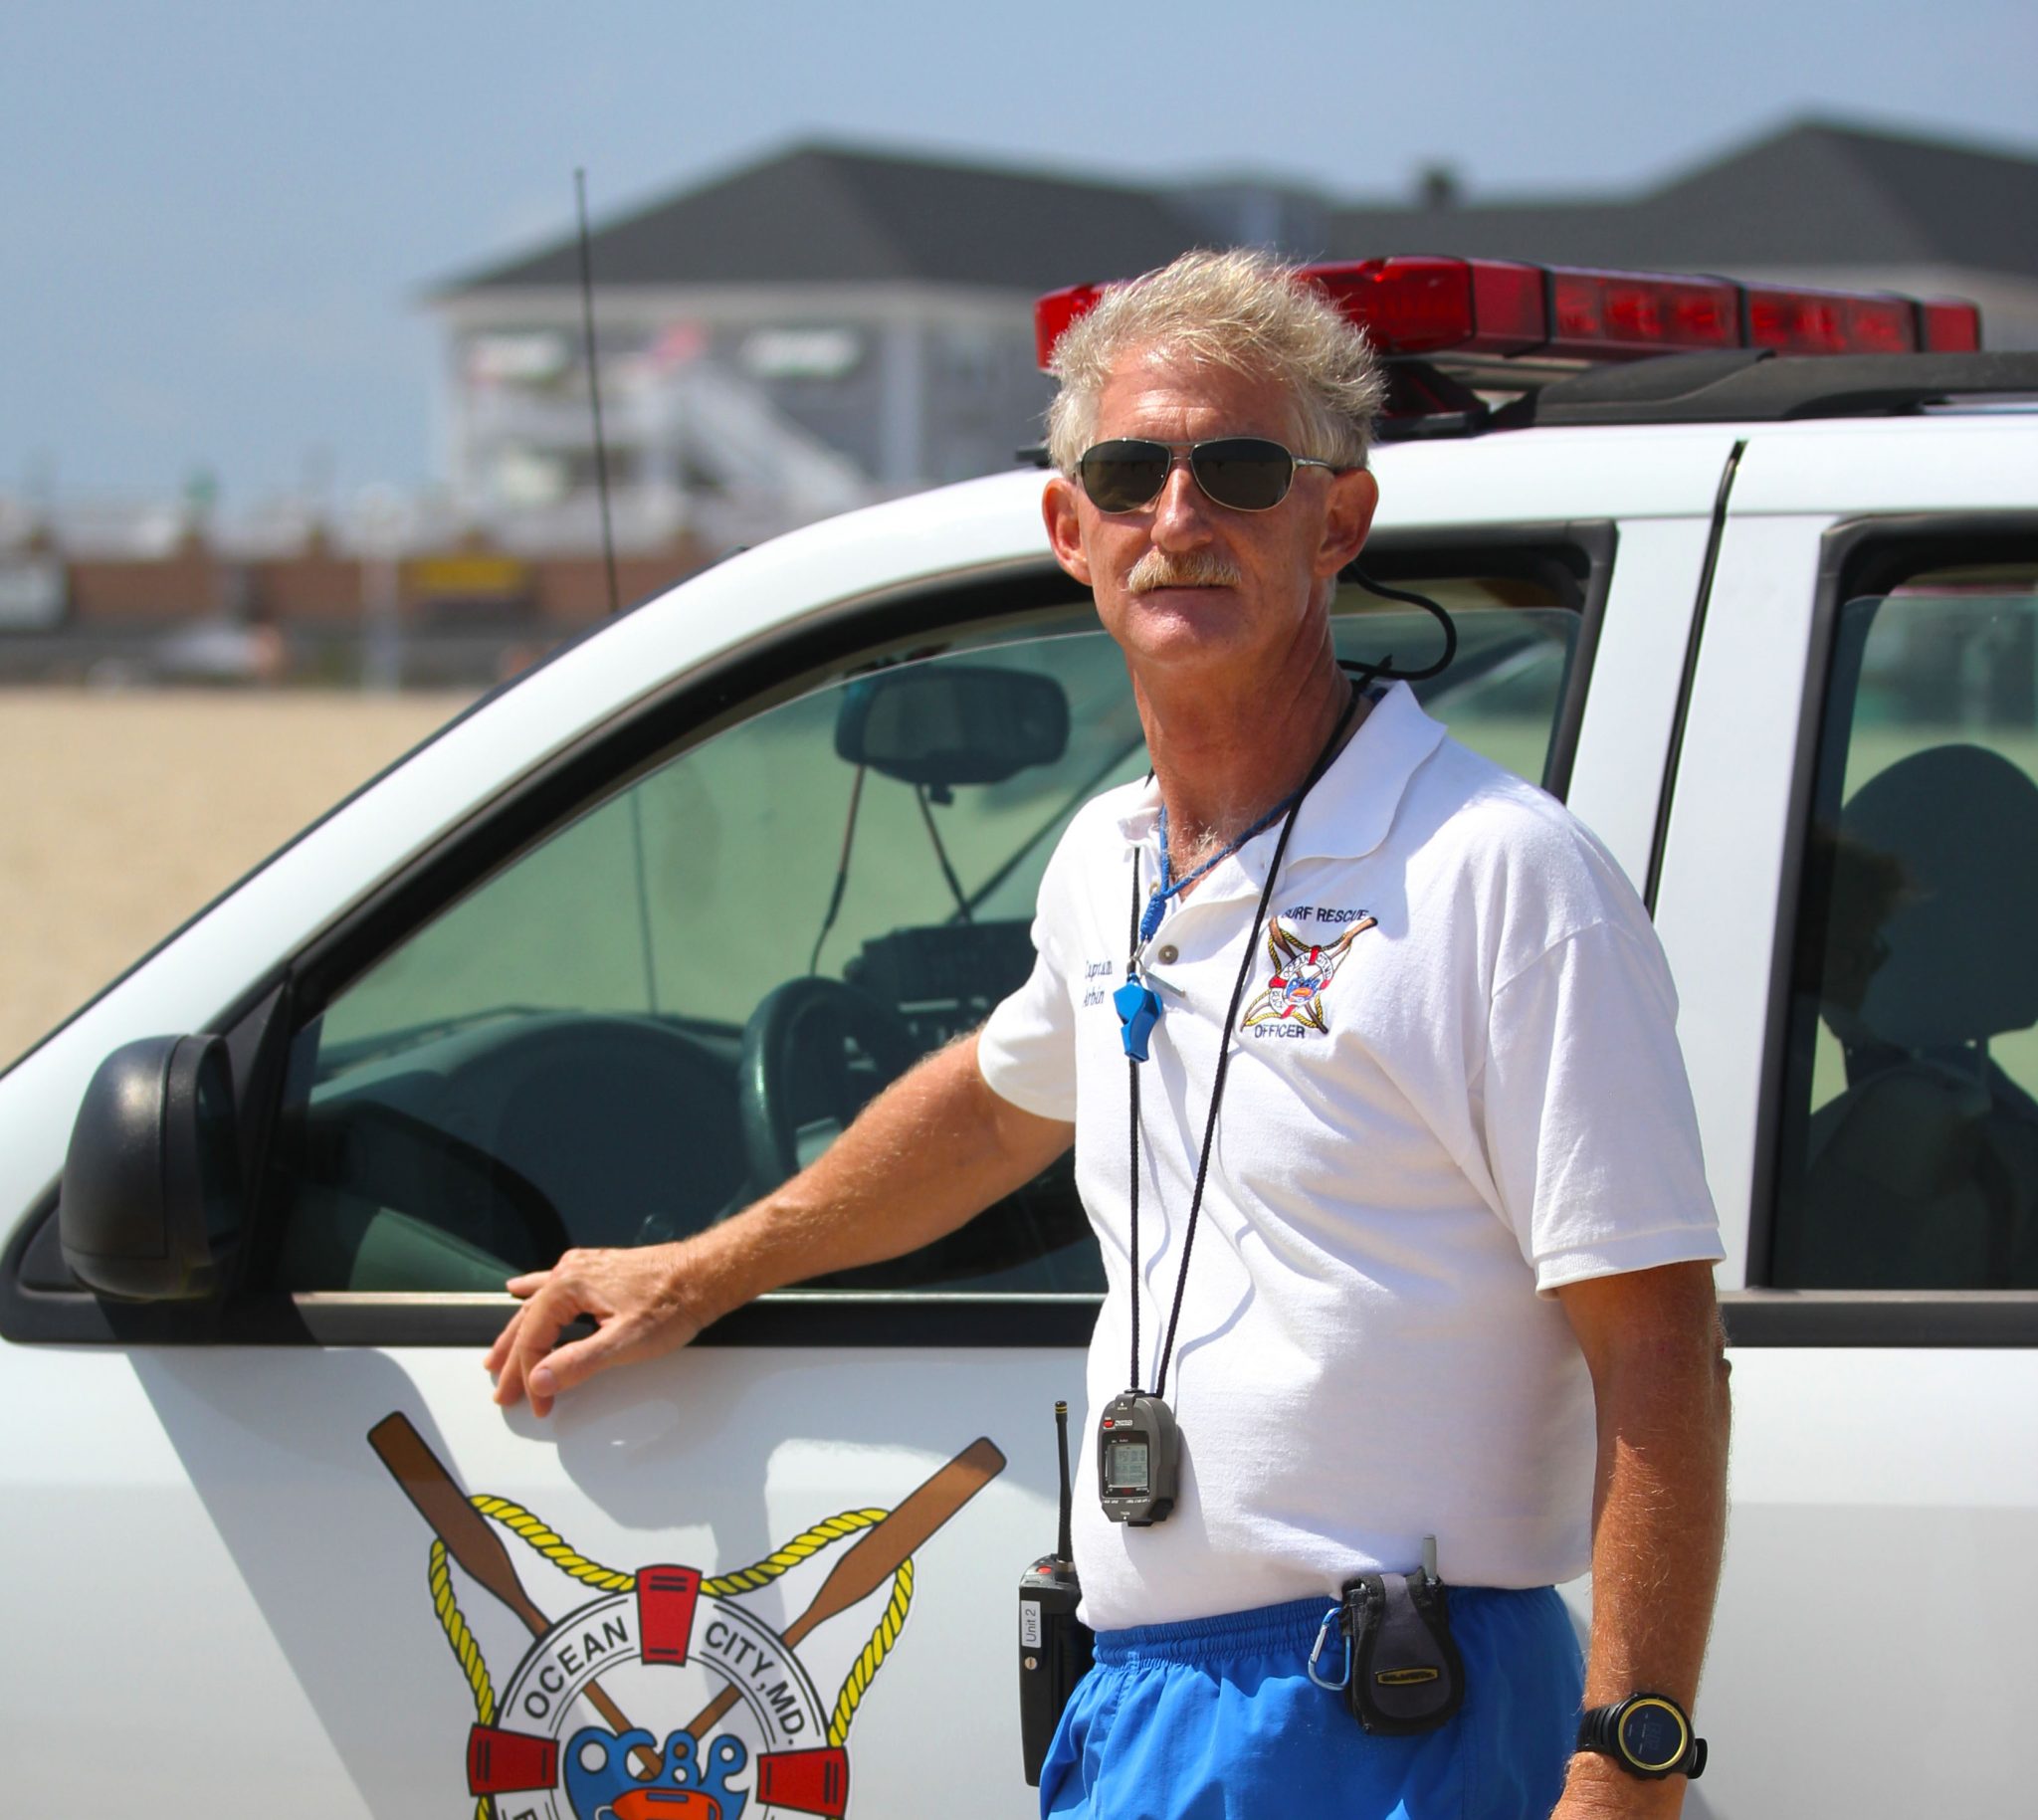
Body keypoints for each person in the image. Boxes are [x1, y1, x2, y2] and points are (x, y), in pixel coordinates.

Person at [487, 248, 1732, 1819]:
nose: (1181, 516)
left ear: (1336, 519)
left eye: (1242, 469)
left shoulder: (1502, 872)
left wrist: (1625, 1773)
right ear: (1071, 530)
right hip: (1144, 1708)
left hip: (1416, 1710)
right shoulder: (1110, 863)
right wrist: (699, 1267)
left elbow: (1663, 1351)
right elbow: (1002, 1106)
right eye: (1132, 472)